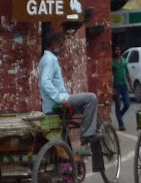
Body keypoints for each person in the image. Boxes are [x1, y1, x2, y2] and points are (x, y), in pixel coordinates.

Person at [38, 31, 103, 168]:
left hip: (53, 105)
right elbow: (45, 82)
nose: (61, 48)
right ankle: (86, 134)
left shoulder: (46, 59)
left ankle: (72, 165)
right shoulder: (50, 59)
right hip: (57, 104)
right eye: (59, 44)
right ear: (53, 44)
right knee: (91, 98)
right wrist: (60, 98)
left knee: (85, 108)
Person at [111, 44, 130, 131]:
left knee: (127, 104)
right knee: (118, 104)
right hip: (116, 86)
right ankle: (121, 124)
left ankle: (119, 116)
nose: (118, 51)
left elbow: (127, 73)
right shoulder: (111, 62)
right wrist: (111, 88)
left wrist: (131, 85)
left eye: (119, 50)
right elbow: (109, 76)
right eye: (116, 50)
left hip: (124, 85)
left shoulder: (124, 61)